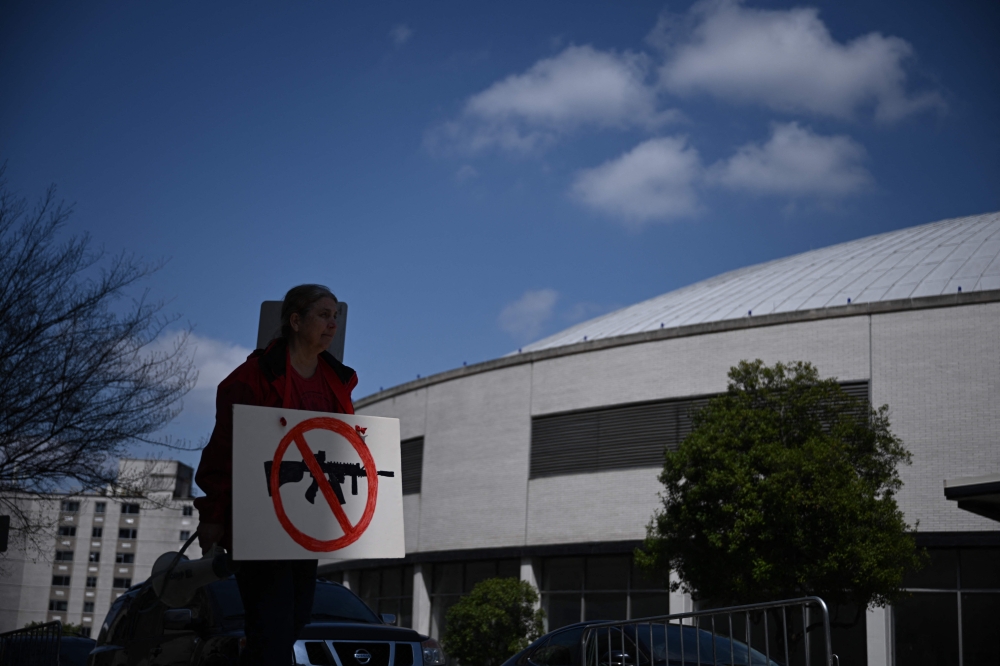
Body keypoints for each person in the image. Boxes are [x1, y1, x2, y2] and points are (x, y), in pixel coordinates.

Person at [193, 284, 357, 666]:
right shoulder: (251, 378)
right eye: (323, 315)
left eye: (336, 316)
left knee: (294, 619)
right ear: (295, 321)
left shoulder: (337, 381)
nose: (333, 324)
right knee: (273, 629)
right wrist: (213, 515)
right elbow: (224, 448)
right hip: (258, 520)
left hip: (305, 524)